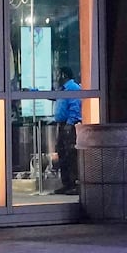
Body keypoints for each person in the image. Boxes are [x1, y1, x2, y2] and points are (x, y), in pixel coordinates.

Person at [53, 65, 82, 194]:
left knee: (71, 154)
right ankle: (67, 183)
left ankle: (75, 184)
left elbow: (75, 107)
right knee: (62, 154)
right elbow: (52, 96)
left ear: (64, 75)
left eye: (58, 74)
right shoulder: (62, 89)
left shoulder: (73, 88)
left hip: (70, 125)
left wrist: (69, 124)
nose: (56, 77)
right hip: (62, 125)